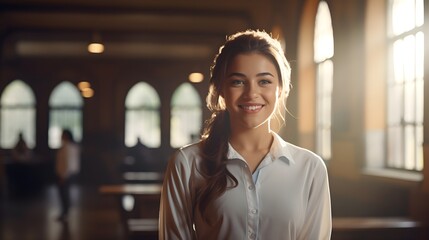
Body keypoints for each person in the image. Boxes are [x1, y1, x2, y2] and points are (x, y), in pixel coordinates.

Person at [159, 29, 332, 239]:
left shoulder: (310, 168)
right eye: (238, 82)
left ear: (281, 89)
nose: (251, 93)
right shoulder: (186, 163)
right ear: (221, 89)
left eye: (264, 81)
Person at [55, 129, 80, 221]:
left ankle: (65, 213)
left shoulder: (67, 147)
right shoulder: (71, 147)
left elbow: (68, 163)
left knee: (64, 194)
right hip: (68, 174)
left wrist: (64, 176)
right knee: (64, 194)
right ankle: (65, 213)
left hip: (65, 174)